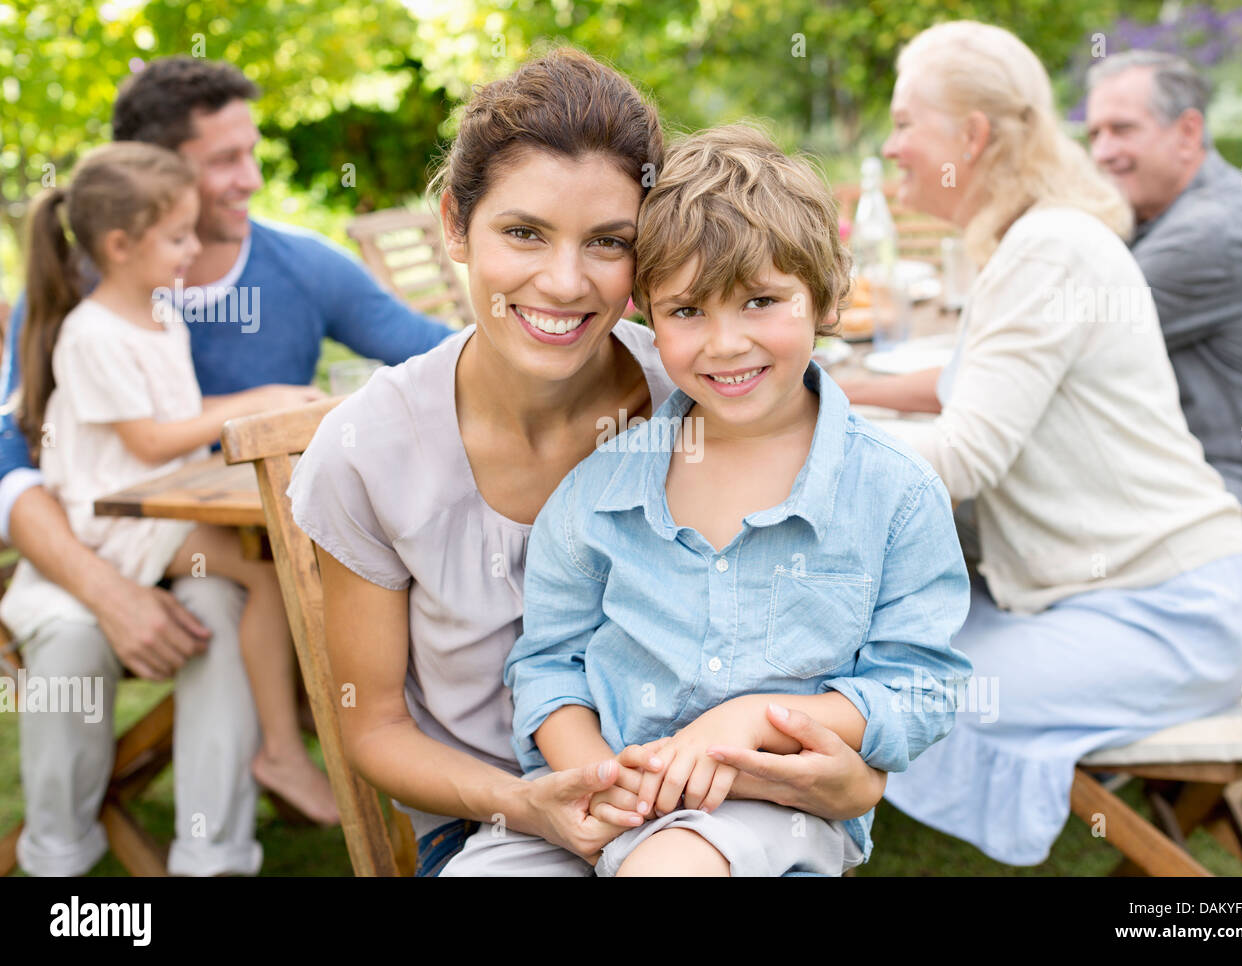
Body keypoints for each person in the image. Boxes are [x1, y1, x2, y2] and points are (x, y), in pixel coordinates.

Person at [288, 48, 892, 877]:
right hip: (492, 820)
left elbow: (851, 633)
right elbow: (375, 729)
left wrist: (851, 780)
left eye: (608, 242)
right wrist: (529, 801)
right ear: (455, 226)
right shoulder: (369, 453)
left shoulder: (704, 389)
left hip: (714, 809)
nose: (564, 282)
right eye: (524, 232)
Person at [437, 125, 972, 877]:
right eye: (688, 312)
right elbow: (550, 663)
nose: (725, 344)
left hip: (768, 808)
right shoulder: (599, 494)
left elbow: (921, 685)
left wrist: (758, 719)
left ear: (823, 297)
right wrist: (598, 778)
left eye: (760, 301)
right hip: (602, 796)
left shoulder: (894, 494)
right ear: (646, 316)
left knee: (670, 869)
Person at [1, 57, 452, 877]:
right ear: (158, 173)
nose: (251, 179)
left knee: (229, 595)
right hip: (85, 545)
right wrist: (107, 593)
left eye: (253, 152)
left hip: (208, 547)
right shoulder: (75, 292)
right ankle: (55, 858)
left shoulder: (297, 267)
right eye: (224, 161)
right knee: (69, 640)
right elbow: (10, 462)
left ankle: (213, 857)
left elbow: (436, 352)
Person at [834, 21, 1242, 866]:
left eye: (902, 122)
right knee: (869, 648)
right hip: (1116, 600)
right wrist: (832, 401)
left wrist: (789, 459)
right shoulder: (1037, 241)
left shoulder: (1049, 251)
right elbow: (973, 392)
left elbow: (963, 457)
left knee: (889, 685)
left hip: (1169, 615)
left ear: (973, 136)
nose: (889, 147)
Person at [4, 142, 337, 831]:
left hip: (152, 516)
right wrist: (262, 400)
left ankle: (287, 745)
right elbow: (150, 441)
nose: (195, 249)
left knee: (275, 564)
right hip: (115, 526)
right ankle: (282, 750)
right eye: (179, 236)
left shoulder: (159, 314)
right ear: (122, 245)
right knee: (270, 575)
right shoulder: (91, 334)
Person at [1085, 50, 1242, 573]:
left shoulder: (1212, 231)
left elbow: (1051, 343)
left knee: (993, 518)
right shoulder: (1172, 213)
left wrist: (858, 390)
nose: (1102, 152)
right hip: (1206, 482)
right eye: (1093, 134)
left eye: (1122, 130)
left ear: (1187, 132)